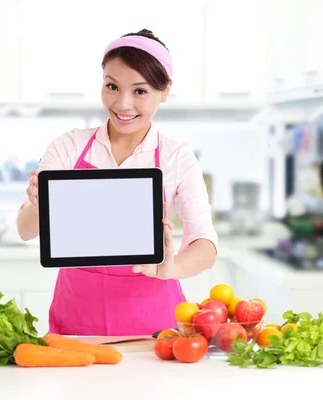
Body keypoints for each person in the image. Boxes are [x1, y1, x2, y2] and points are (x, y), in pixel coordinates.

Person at [17, 29, 218, 336]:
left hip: (155, 332)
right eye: (112, 86)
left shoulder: (177, 157)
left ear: (164, 91)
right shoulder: (68, 147)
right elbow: (26, 230)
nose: (123, 104)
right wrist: (37, 205)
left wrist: (171, 268)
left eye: (140, 91)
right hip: (76, 329)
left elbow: (205, 244)